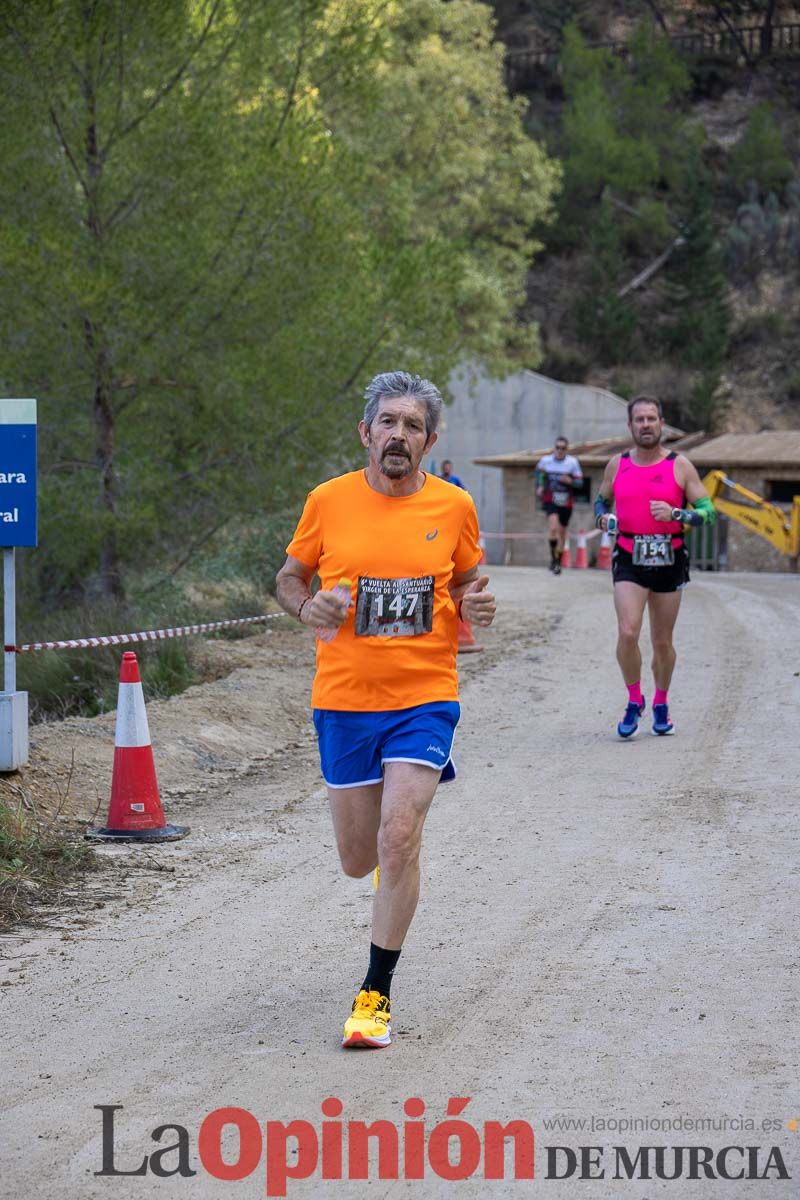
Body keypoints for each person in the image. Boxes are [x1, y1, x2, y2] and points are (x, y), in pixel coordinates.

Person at [276, 370, 496, 1048]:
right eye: (388, 422)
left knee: (398, 838)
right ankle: (385, 865)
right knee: (356, 857)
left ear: (430, 440)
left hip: (424, 697)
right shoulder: (328, 501)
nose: (399, 434)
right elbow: (290, 579)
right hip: (343, 701)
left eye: (412, 424)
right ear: (365, 433)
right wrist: (306, 607)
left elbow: (465, 583)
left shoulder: (454, 507)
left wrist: (474, 605)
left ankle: (374, 995)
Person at [595, 394, 716, 739]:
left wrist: (678, 514)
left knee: (662, 642)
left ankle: (661, 701)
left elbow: (708, 513)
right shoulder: (617, 464)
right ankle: (635, 700)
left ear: (662, 423)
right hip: (629, 556)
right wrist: (603, 519)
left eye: (651, 419)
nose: (646, 425)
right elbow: (601, 501)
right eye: (639, 420)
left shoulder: (680, 466)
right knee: (627, 632)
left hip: (669, 559)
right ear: (630, 426)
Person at [535, 437, 583, 573]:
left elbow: (580, 483)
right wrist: (539, 486)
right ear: (554, 448)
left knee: (562, 532)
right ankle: (553, 559)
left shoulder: (572, 463)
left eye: (563, 448)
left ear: (566, 450)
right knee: (553, 528)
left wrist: (570, 481)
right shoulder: (546, 461)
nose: (560, 450)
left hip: (566, 501)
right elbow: (538, 473)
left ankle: (558, 560)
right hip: (550, 499)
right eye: (558, 447)